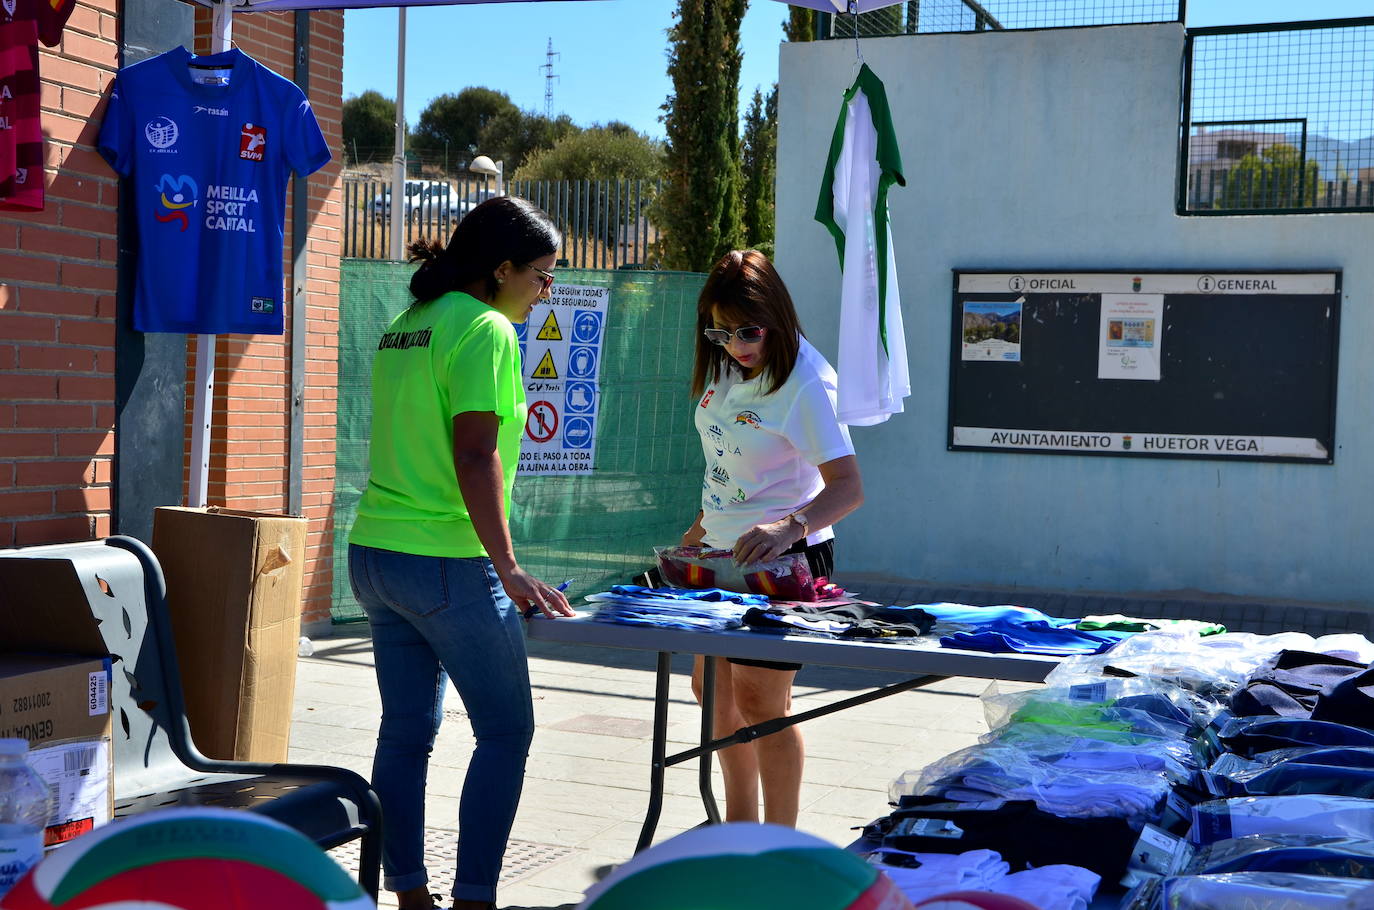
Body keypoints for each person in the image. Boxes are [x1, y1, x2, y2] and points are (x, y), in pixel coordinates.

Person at [348, 195, 577, 910]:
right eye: (541, 277)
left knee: (406, 730)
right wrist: (507, 566)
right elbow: (476, 455)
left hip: (375, 556)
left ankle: (409, 894)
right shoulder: (484, 329)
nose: (546, 293)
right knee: (507, 730)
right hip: (445, 563)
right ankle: (474, 901)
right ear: (501, 269)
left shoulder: (407, 323)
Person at [681, 249, 864, 827]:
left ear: (777, 318)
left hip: (785, 559)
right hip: (720, 551)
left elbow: (849, 487)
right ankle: (736, 833)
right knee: (713, 698)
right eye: (721, 332)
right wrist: (696, 535)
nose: (737, 344)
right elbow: (727, 469)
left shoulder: (807, 381)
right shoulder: (724, 364)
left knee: (763, 704)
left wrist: (790, 526)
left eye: (749, 331)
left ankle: (780, 846)